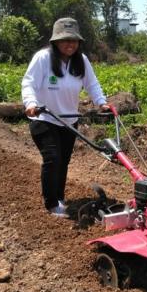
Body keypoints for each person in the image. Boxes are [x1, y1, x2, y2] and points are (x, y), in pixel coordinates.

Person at [22, 17, 109, 218]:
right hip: (44, 118)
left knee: (64, 161)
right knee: (53, 158)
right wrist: (31, 104)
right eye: (64, 40)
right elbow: (29, 83)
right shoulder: (43, 58)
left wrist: (101, 102)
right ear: (55, 41)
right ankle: (51, 203)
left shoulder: (82, 61)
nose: (69, 44)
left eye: (73, 40)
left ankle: (59, 198)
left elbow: (92, 85)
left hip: (68, 120)